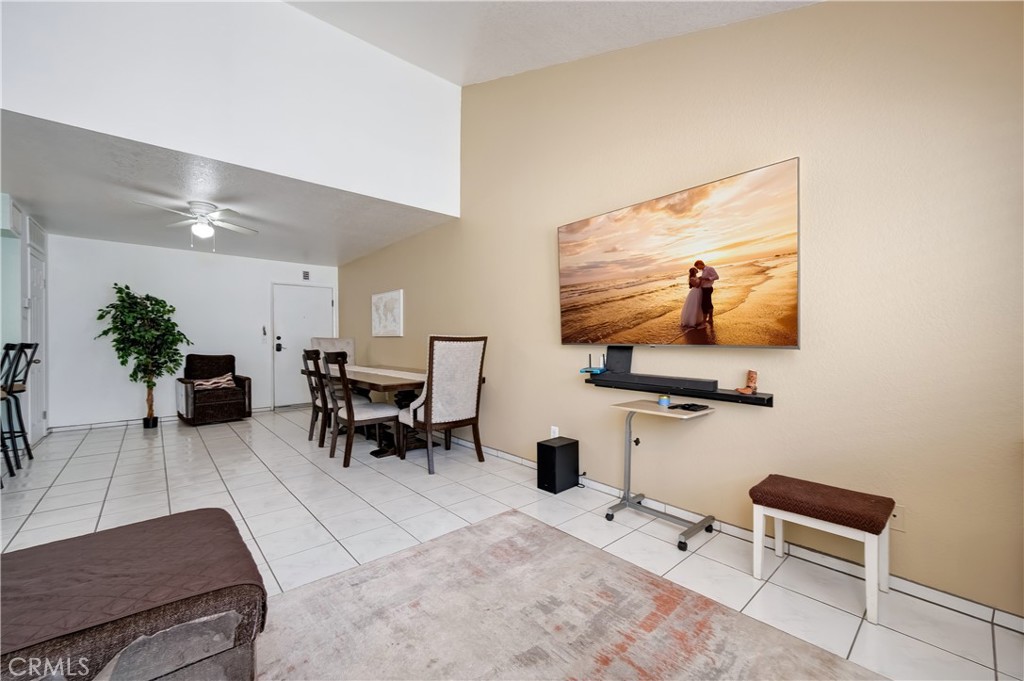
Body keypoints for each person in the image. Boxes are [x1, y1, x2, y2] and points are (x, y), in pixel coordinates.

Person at [695, 259, 719, 325]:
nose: (697, 268)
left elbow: (716, 277)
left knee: (705, 305)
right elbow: (705, 279)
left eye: (697, 266)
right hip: (704, 289)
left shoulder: (709, 268)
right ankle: (709, 319)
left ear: (700, 264)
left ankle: (706, 320)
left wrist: (705, 278)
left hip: (708, 289)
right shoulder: (703, 271)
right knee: (707, 304)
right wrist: (701, 278)